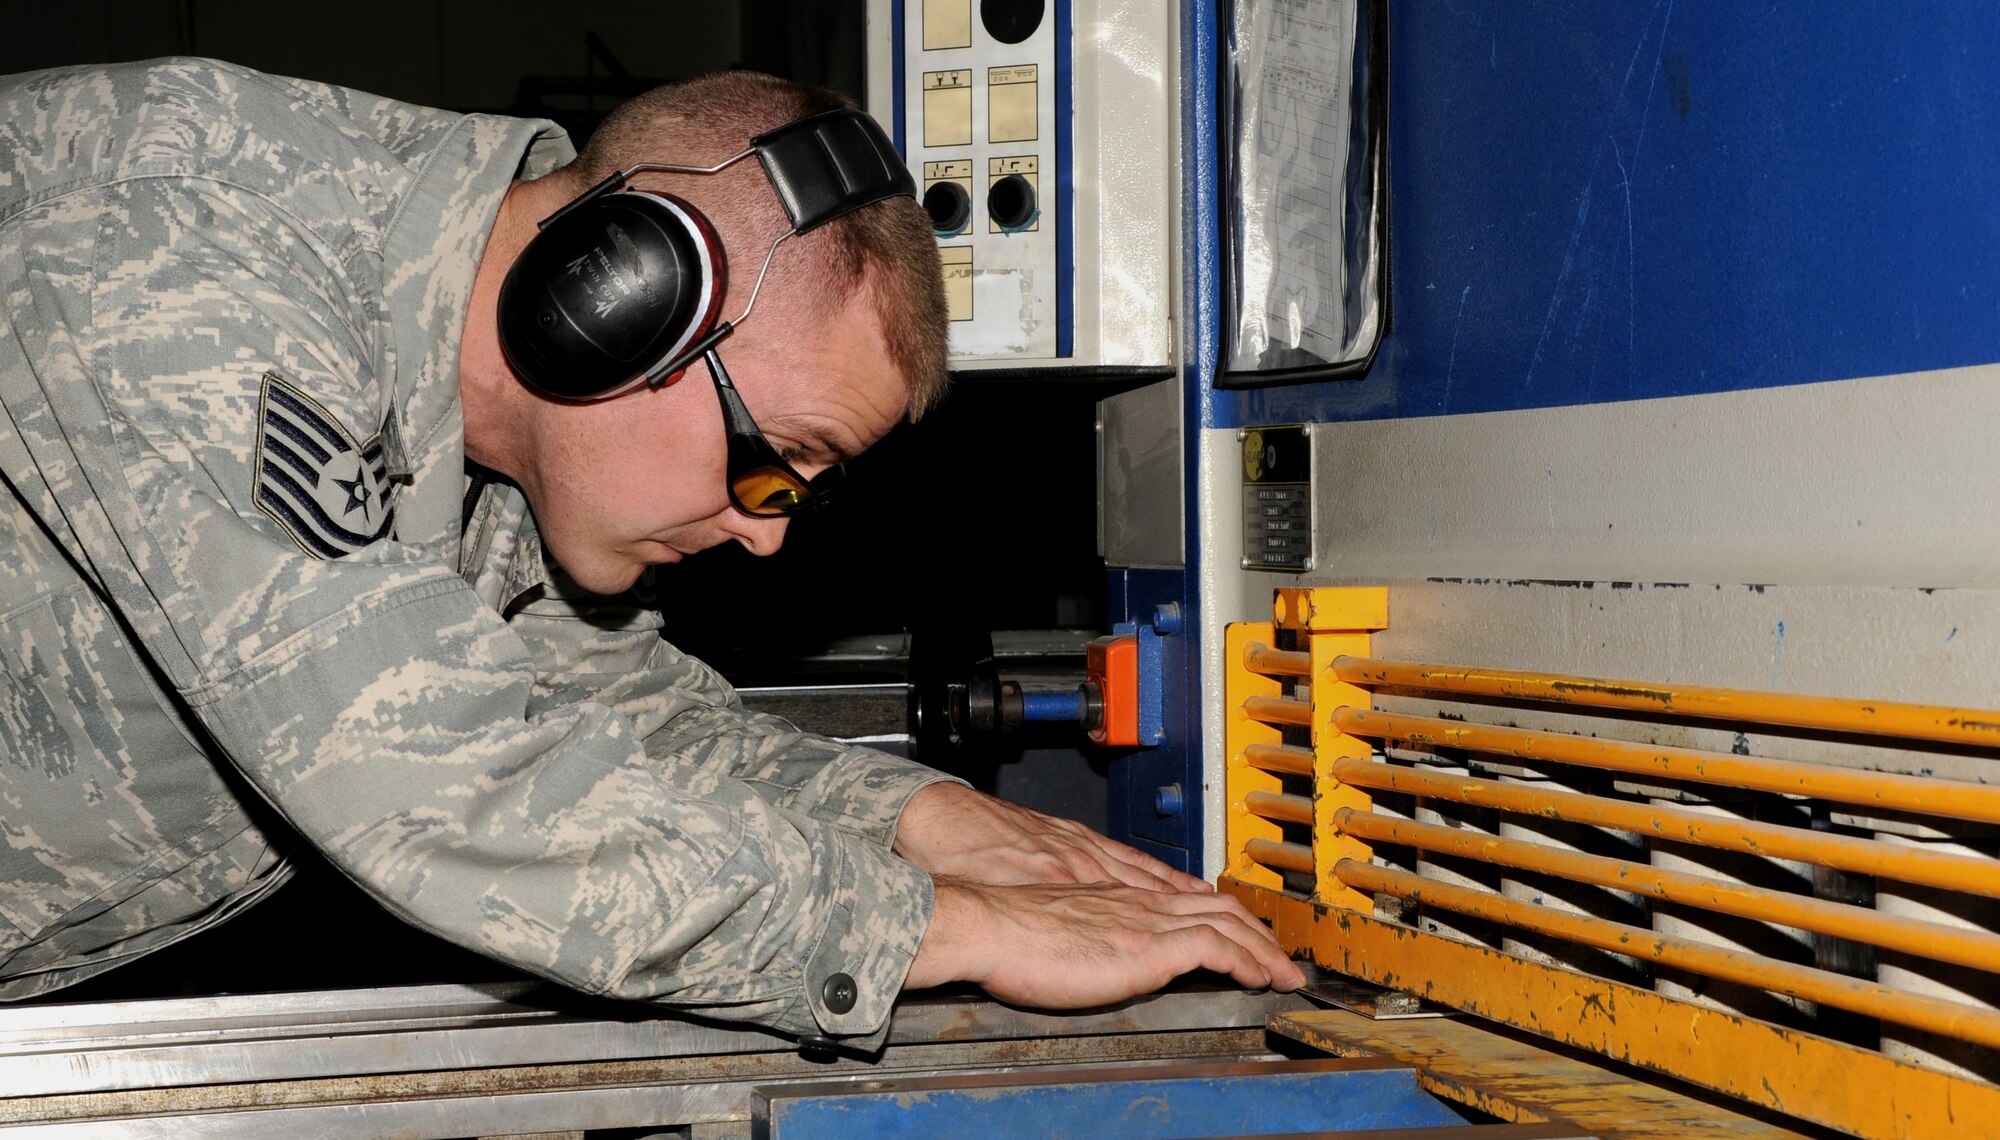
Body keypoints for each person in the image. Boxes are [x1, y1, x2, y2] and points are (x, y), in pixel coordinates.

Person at [0, 57, 1301, 1046]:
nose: (766, 531)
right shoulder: (173, 264)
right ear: (617, 297)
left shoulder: (489, 414)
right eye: (772, 457)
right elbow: (447, 788)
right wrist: (939, 931)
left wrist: (928, 823)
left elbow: (602, 708)